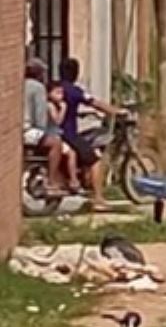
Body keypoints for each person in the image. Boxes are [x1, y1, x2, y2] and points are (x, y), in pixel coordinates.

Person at [57, 56, 121, 211]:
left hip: (59, 132)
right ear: (75, 73)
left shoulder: (56, 88)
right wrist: (116, 111)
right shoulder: (74, 91)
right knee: (95, 159)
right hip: (69, 133)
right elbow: (95, 103)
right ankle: (98, 199)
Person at [23, 59, 71, 194]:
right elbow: (40, 116)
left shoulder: (21, 85)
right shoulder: (38, 87)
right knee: (56, 143)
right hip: (29, 129)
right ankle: (51, 180)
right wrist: (44, 130)